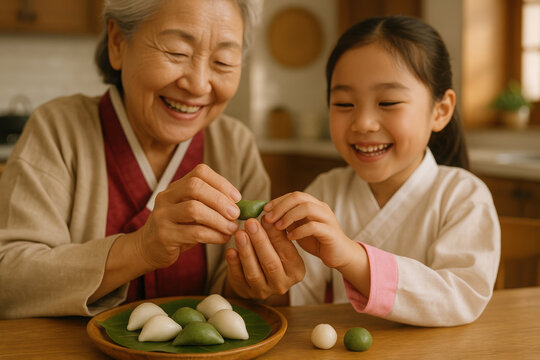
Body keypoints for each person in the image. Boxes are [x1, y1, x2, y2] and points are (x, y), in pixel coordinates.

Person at [0, 0, 305, 319]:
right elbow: (9, 280)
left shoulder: (235, 145)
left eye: (223, 61)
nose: (199, 84)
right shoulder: (57, 129)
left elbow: (231, 297)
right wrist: (140, 249)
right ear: (117, 42)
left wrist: (248, 285)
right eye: (176, 52)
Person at [261, 15, 500, 326]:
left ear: (440, 111)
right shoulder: (325, 190)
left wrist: (352, 258)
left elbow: (461, 297)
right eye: (344, 104)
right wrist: (266, 278)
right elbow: (302, 298)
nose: (363, 123)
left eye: (388, 102)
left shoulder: (463, 196)